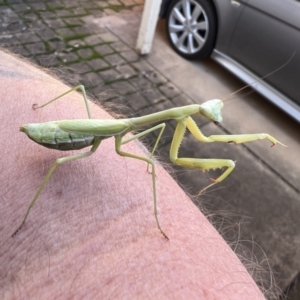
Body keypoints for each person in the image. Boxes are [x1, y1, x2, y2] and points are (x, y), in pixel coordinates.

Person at [0, 49, 264, 299]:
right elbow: (176, 154)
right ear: (191, 113)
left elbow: (160, 132)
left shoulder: (155, 123)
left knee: (144, 135)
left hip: (79, 132)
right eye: (204, 112)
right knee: (59, 161)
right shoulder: (148, 123)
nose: (210, 116)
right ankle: (25, 219)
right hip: (61, 134)